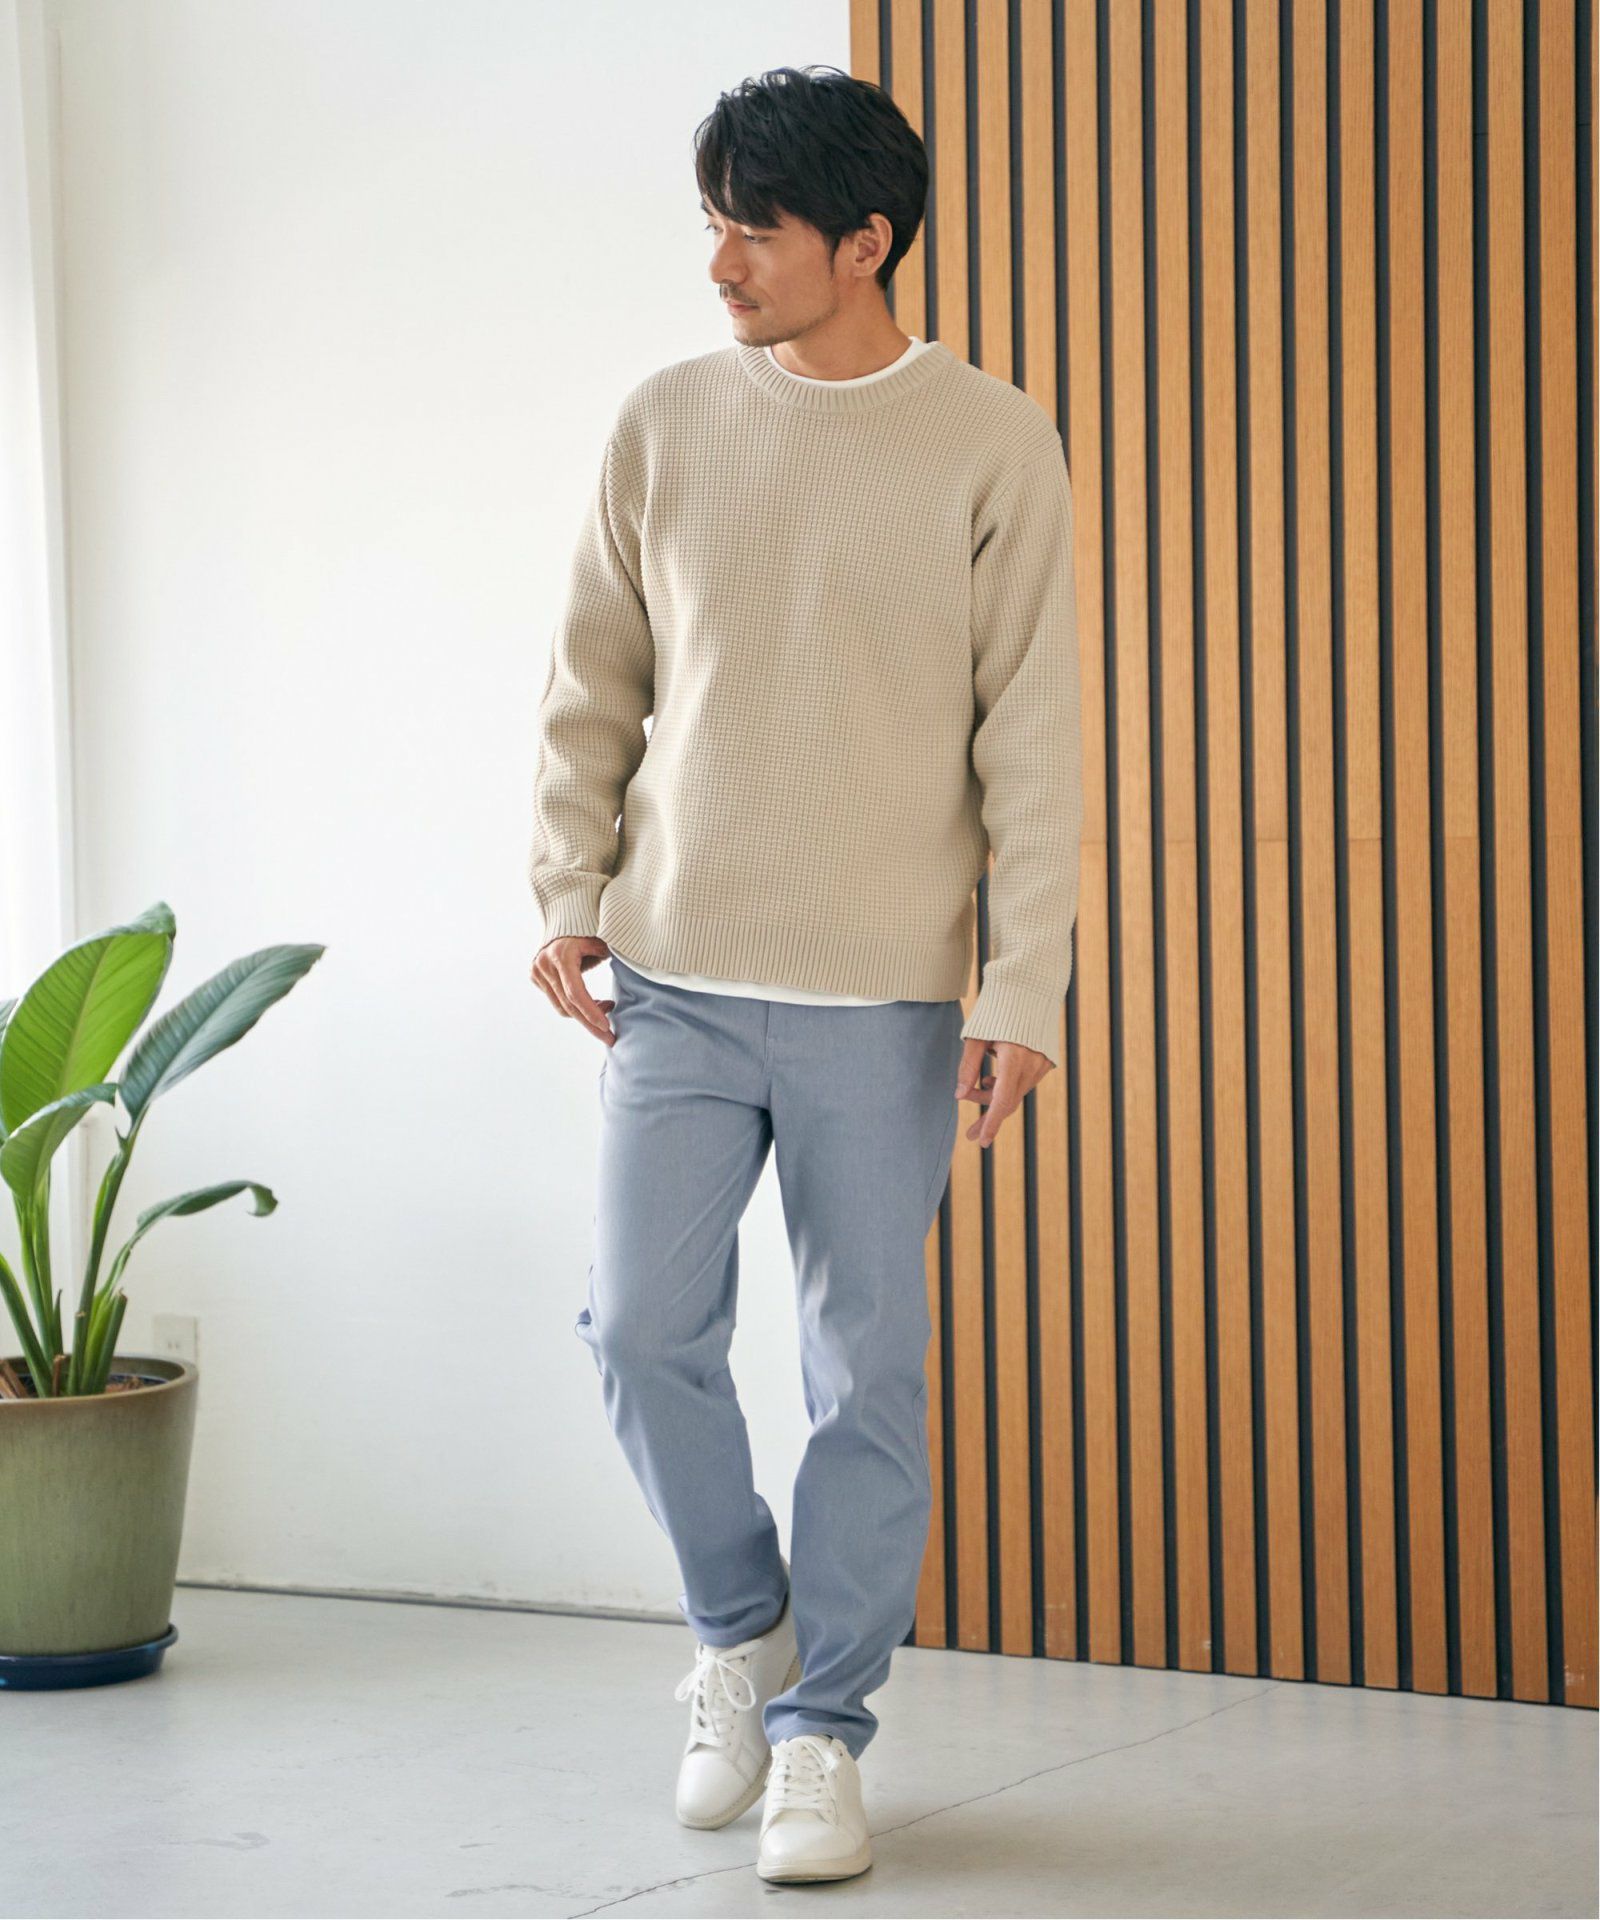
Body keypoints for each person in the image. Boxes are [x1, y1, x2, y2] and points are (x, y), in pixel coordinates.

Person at [527, 63, 1082, 1887]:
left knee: (867, 1375)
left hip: (885, 998)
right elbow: (593, 682)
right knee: (638, 1330)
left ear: (866, 242)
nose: (719, 263)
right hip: (677, 973)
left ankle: (826, 1730)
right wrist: (567, 888)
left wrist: (1022, 988)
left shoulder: (991, 441)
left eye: (752, 230)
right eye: (712, 224)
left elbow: (1034, 739)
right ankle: (741, 1632)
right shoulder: (665, 422)